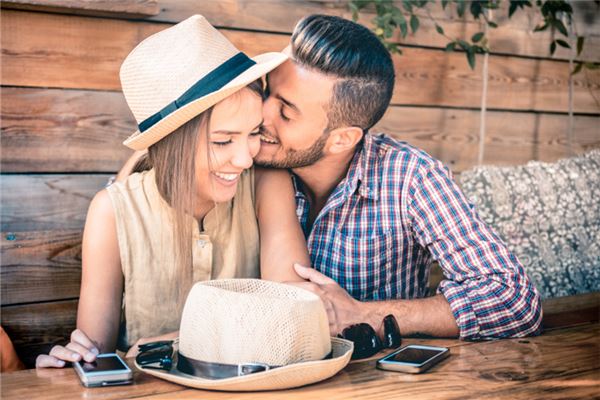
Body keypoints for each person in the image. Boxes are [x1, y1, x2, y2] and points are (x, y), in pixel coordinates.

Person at [36, 15, 309, 368]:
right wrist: (74, 362)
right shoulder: (112, 211)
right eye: (222, 141)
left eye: (254, 132)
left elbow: (294, 311)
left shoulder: (267, 185)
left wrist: (170, 343)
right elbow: (96, 355)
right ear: (172, 145)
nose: (245, 159)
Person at [255, 15, 543, 341]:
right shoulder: (242, 156)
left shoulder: (412, 179)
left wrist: (363, 315)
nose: (261, 114)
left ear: (342, 139)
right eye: (266, 91)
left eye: (286, 113)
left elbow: (514, 300)